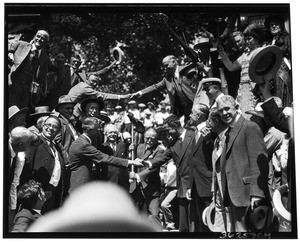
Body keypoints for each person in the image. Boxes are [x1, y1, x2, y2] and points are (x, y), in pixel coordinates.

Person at [215, 95, 270, 232]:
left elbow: (259, 163)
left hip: (248, 196)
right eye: (220, 111)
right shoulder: (228, 132)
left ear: (237, 108)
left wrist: (256, 194)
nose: (224, 113)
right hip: (234, 196)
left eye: (227, 109)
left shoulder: (250, 127)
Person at [144, 115, 194, 232]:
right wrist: (148, 163)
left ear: (175, 127)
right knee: (184, 224)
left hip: (195, 185)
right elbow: (163, 157)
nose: (167, 134)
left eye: (168, 130)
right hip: (182, 186)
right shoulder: (174, 144)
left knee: (195, 222)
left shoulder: (193, 135)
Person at [68, 117, 143, 194]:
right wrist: (131, 162)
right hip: (80, 184)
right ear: (89, 130)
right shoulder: (83, 144)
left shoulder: (85, 141)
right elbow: (105, 158)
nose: (99, 132)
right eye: (97, 129)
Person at [130, 55, 205, 124]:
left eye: (166, 65)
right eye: (164, 66)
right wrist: (140, 92)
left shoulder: (187, 69)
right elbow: (155, 87)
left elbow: (200, 78)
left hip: (197, 106)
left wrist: (201, 68)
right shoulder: (167, 79)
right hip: (185, 112)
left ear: (173, 62)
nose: (165, 68)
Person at [219, 24, 267, 119]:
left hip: (255, 87)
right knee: (243, 112)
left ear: (256, 39)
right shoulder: (245, 55)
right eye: (247, 39)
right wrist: (222, 53)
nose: (247, 41)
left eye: (249, 39)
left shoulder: (260, 51)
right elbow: (231, 67)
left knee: (253, 112)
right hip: (243, 88)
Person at [129, 128, 165, 231]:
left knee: (154, 214)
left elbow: (154, 168)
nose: (149, 141)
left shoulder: (159, 150)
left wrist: (137, 175)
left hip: (151, 187)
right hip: (136, 186)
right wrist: (130, 151)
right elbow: (132, 161)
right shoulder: (139, 147)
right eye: (147, 138)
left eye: (152, 139)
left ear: (156, 139)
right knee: (134, 213)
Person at [185, 103, 213, 232]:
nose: (190, 115)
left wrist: (210, 139)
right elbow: (193, 162)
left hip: (207, 185)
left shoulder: (211, 130)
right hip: (196, 185)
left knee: (209, 221)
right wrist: (190, 186)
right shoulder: (194, 133)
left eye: (192, 112)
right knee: (199, 222)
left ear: (199, 115)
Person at [30, 115, 66, 214]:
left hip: (53, 191)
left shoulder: (56, 147)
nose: (50, 128)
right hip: (38, 191)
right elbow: (29, 166)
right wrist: (34, 190)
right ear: (43, 126)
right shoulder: (35, 141)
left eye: (54, 127)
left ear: (59, 131)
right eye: (48, 125)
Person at [8, 29, 50, 109]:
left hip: (28, 88)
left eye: (43, 38)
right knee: (11, 108)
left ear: (46, 42)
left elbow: (41, 77)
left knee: (23, 109)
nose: (39, 39)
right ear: (34, 37)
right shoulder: (21, 44)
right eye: (38, 36)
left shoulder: (45, 58)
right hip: (14, 82)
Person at [9, 127, 39, 231]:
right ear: (21, 144)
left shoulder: (15, 154)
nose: (30, 145)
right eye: (29, 143)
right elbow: (13, 182)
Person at [99, 124, 130, 191]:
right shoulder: (102, 147)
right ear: (106, 134)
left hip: (122, 180)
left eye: (115, 132)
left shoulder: (123, 145)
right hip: (108, 180)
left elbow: (127, 160)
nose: (112, 134)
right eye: (110, 132)